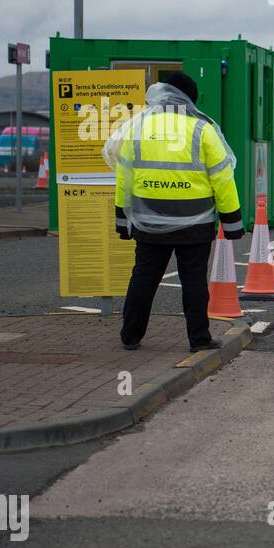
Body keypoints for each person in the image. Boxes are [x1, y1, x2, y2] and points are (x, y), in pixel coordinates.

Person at [106, 71, 243, 352]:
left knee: (143, 277)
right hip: (194, 223)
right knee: (193, 281)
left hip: (148, 221)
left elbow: (124, 178)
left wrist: (122, 219)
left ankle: (130, 336)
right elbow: (222, 178)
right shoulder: (202, 129)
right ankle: (199, 339)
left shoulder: (136, 128)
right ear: (189, 99)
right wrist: (232, 222)